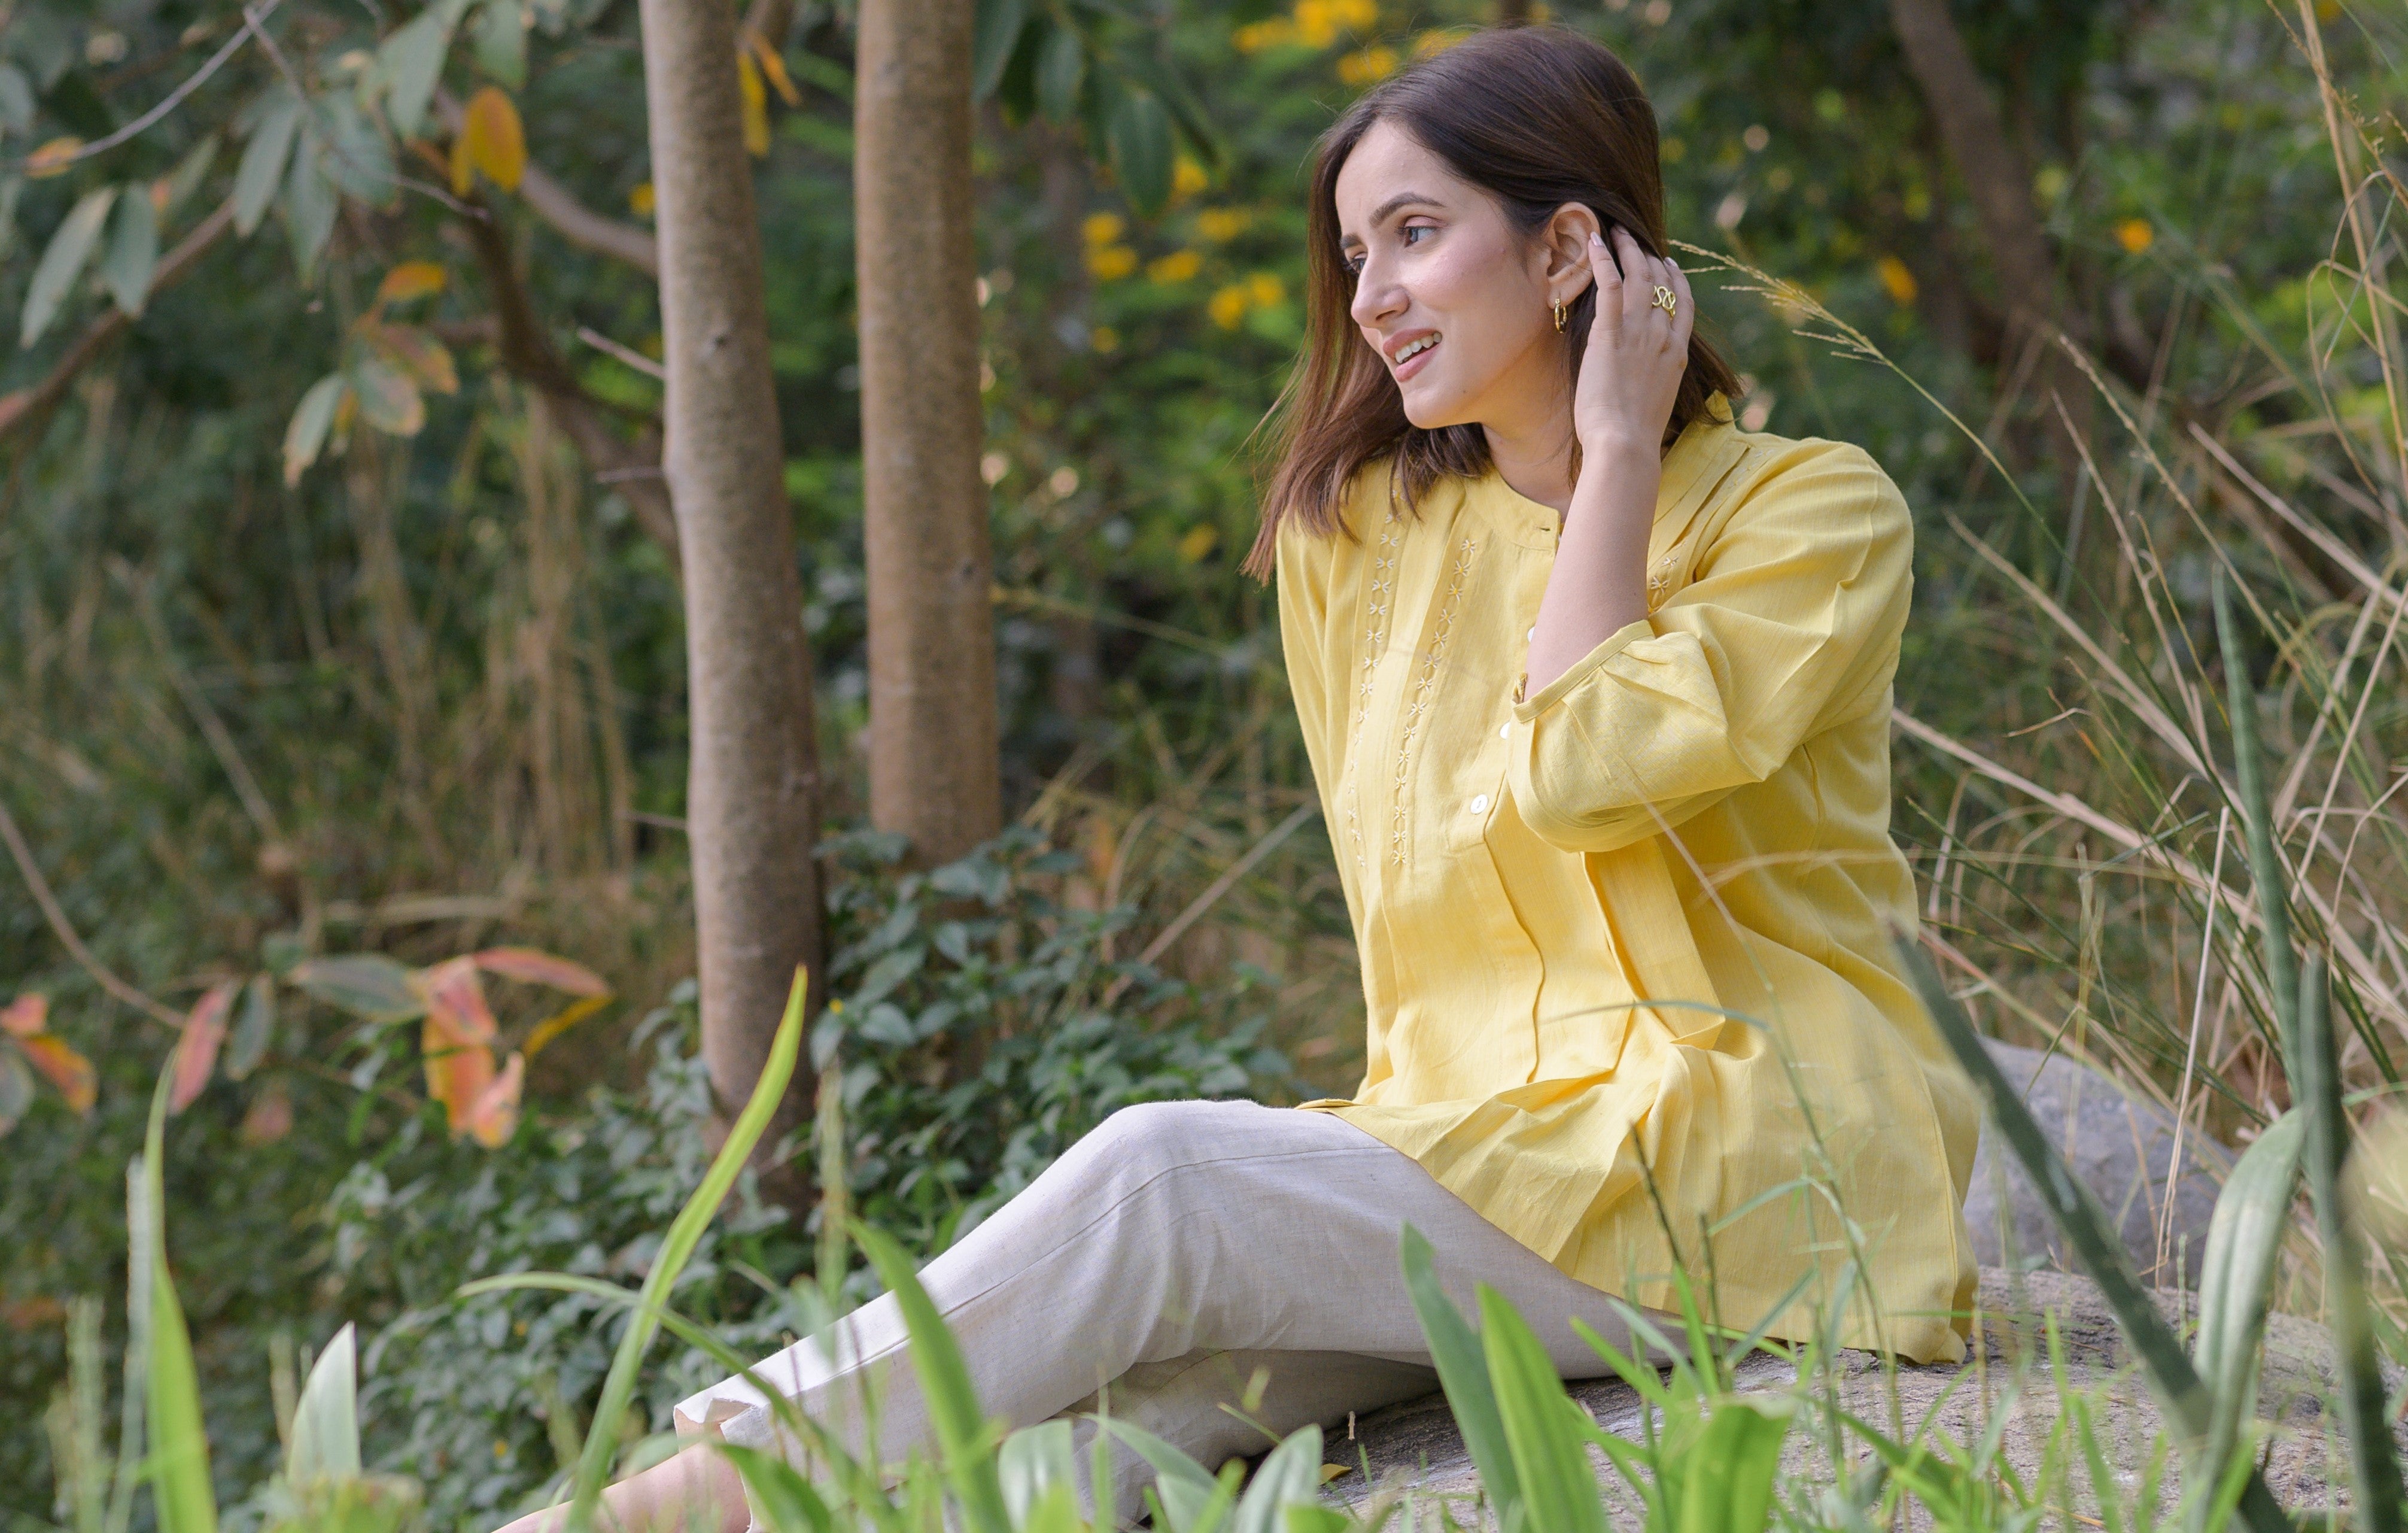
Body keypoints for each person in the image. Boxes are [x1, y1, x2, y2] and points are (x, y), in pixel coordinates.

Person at [507, 24, 1977, 1533]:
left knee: (1171, 1178)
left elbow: (1585, 772)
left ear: (1566, 256)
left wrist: (1611, 455)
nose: (1371, 297)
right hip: (1477, 1160)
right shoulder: (1364, 543)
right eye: (1354, 253)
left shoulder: (1809, 516)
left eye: (1414, 234)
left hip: (1751, 1178)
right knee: (1121, 1423)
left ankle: (631, 1510)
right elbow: (1407, 948)